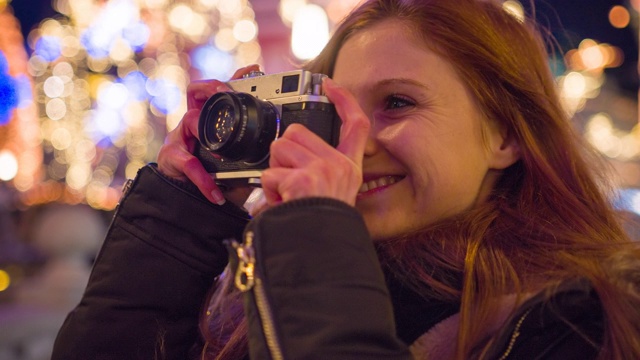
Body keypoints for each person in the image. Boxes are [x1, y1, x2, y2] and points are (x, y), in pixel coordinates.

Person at [52, 0, 640, 359]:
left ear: (506, 136)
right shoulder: (248, 293)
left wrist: (311, 241)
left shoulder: (581, 316)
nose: (351, 140)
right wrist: (184, 218)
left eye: (398, 103)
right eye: (336, 111)